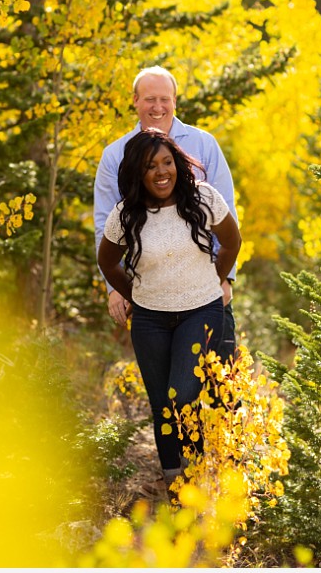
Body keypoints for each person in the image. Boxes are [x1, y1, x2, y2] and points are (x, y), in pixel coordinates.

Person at [98, 129, 242, 493]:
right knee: (162, 403)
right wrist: (139, 294)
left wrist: (214, 279)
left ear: (177, 163)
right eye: (151, 166)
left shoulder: (202, 198)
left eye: (167, 162)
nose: (162, 172)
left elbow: (232, 240)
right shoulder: (126, 215)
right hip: (150, 321)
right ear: (137, 173)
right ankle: (177, 487)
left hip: (201, 311)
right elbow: (108, 261)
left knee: (182, 394)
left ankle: (194, 476)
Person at [94, 66, 240, 361]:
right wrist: (115, 288)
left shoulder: (204, 144)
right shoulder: (115, 154)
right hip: (152, 296)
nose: (157, 107)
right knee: (169, 392)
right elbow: (105, 225)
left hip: (207, 290)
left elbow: (226, 214)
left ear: (175, 101)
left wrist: (223, 279)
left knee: (219, 386)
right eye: (149, 99)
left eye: (165, 99)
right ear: (135, 100)